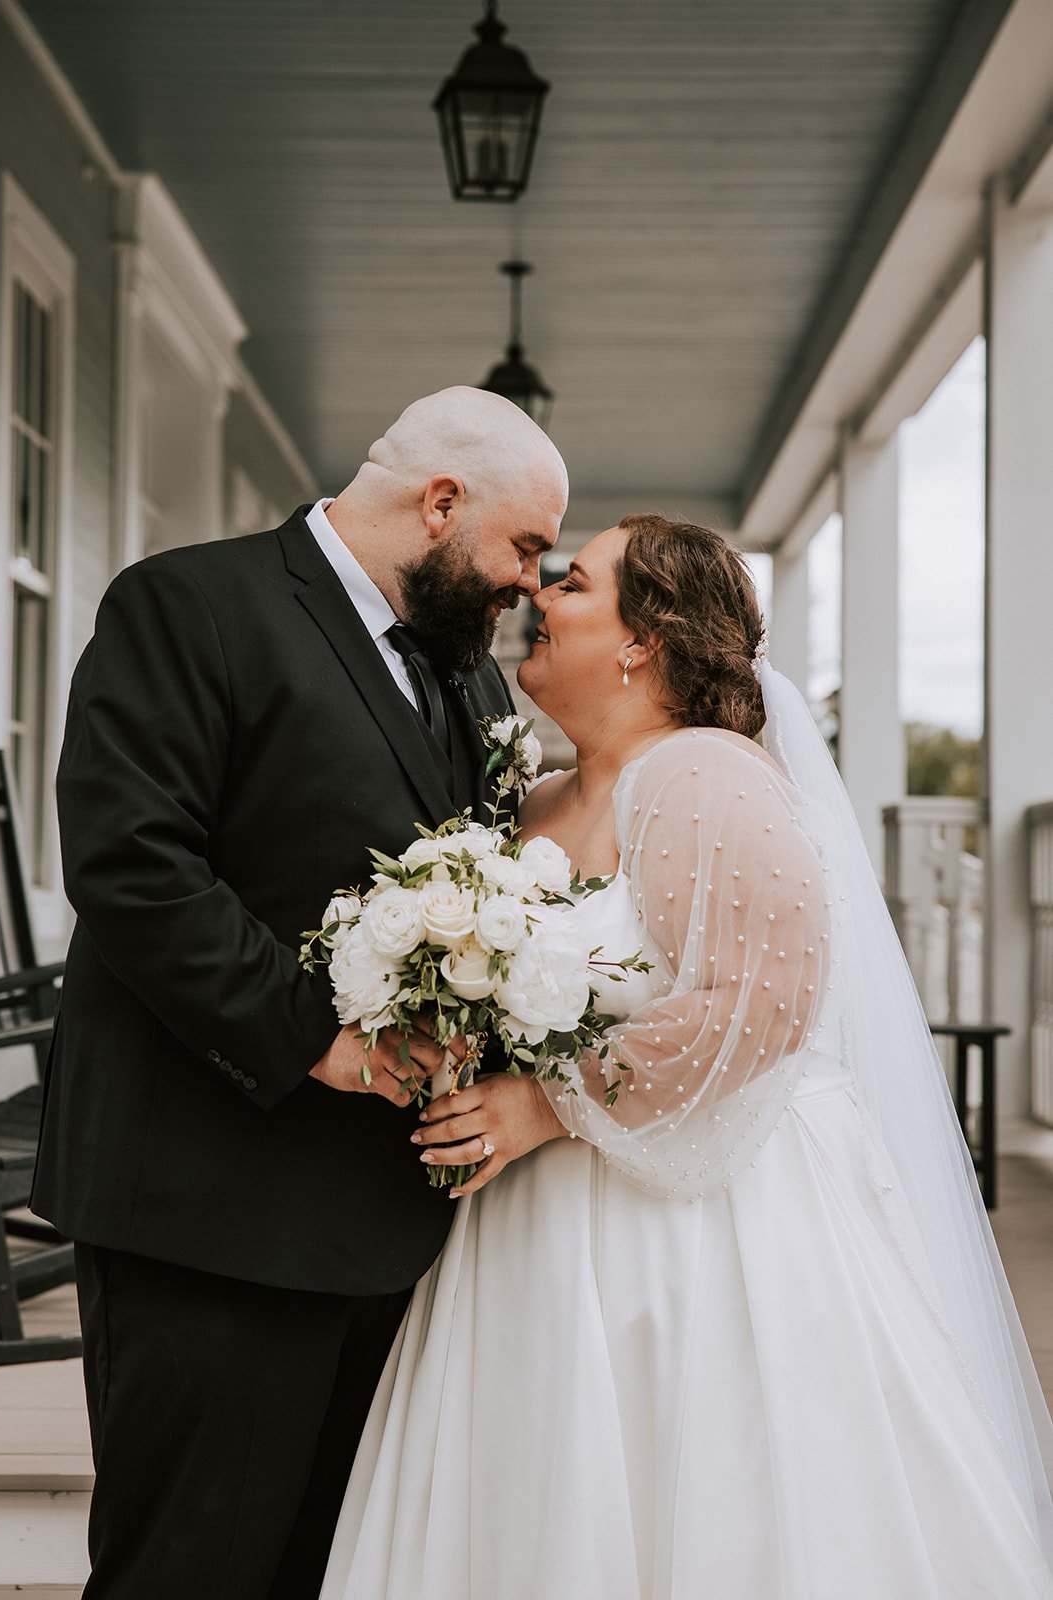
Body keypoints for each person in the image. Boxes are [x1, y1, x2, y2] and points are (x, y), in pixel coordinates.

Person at [321, 515, 1053, 1599]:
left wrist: (547, 1105)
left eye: (572, 583)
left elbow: (765, 1003)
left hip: (697, 1236)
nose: (539, 599)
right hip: (529, 1238)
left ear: (640, 641)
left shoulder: (706, 776)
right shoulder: (533, 804)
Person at [31, 387, 568, 1600]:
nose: (530, 584)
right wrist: (310, 1035)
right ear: (438, 502)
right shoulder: (189, 604)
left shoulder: (470, 682)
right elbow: (132, 862)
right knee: (190, 1569)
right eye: (523, 546)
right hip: (207, 1207)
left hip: (389, 1228)